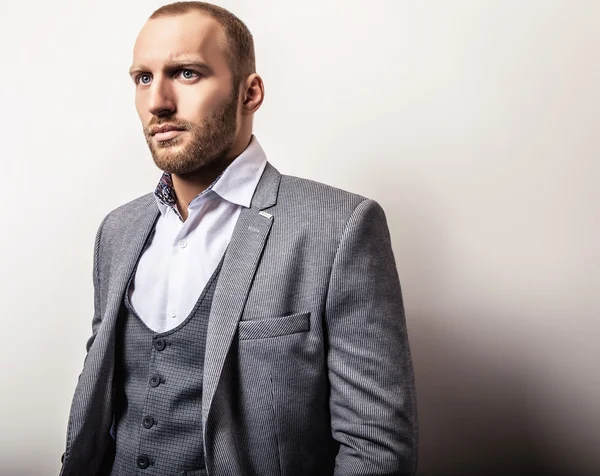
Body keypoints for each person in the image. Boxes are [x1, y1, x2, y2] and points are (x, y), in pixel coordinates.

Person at [59, 2, 418, 475]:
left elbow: (376, 450)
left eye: (186, 73)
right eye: (143, 78)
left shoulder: (340, 226)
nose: (157, 102)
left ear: (250, 93)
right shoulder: (118, 231)